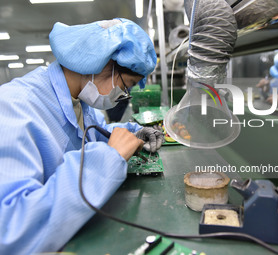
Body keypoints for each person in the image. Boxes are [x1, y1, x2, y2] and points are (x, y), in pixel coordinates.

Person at [0, 18, 164, 254]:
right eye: (125, 85)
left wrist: (132, 133)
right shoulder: (13, 107)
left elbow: (97, 135)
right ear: (103, 63)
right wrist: (108, 159)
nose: (122, 95)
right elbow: (11, 229)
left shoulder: (80, 102)